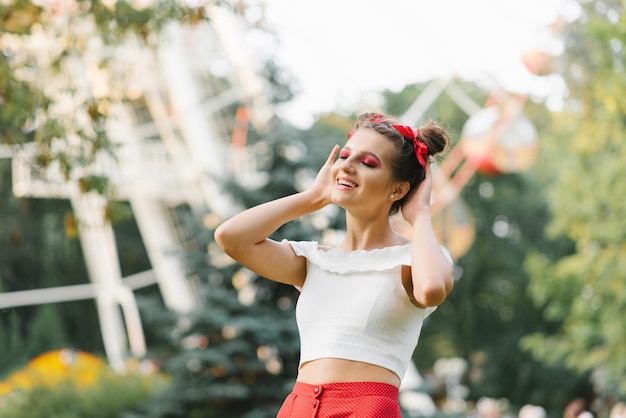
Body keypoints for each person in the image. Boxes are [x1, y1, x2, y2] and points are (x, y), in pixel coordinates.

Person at [214, 112, 454, 417]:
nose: (348, 165)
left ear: (397, 190)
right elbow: (230, 238)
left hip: (365, 409)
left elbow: (432, 289)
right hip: (298, 407)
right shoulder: (315, 261)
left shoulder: (413, 258)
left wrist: (420, 215)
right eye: (345, 155)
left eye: (368, 163)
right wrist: (313, 197)